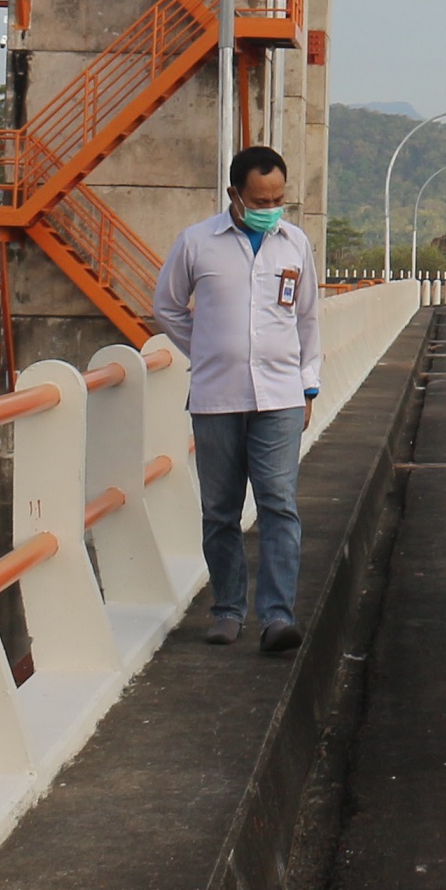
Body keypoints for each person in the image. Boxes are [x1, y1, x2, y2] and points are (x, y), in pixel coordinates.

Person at [149, 144, 323, 653]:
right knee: (220, 509)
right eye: (259, 198)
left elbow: (309, 318)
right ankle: (227, 609)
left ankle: (276, 616)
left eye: (279, 198)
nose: (271, 207)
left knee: (278, 503)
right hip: (216, 397)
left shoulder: (295, 245)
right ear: (234, 195)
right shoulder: (196, 243)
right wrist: (205, 349)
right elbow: (169, 307)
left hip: (281, 396)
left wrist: (308, 383)